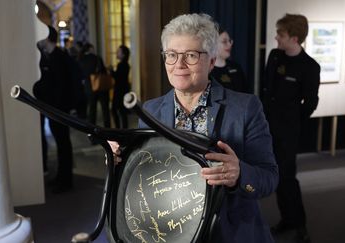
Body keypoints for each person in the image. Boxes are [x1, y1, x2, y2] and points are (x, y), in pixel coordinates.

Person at [109, 13, 278, 243]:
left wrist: (239, 174)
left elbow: (269, 177)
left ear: (211, 60)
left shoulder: (246, 108)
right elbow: (144, 182)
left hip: (231, 233)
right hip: (171, 233)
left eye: (190, 55)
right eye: (171, 55)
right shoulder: (150, 111)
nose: (179, 64)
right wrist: (120, 160)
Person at [261, 14, 320, 243]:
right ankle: (286, 219)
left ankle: (300, 225)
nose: (276, 37)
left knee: (287, 178)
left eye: (281, 34)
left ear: (294, 38)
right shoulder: (275, 56)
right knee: (275, 176)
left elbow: (311, 102)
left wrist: (293, 121)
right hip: (267, 128)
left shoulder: (310, 67)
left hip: (288, 133)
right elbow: (268, 89)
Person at [33, 25, 75, 193]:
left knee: (63, 143)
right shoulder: (49, 56)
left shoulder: (59, 56)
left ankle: (66, 180)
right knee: (60, 142)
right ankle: (61, 177)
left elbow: (61, 86)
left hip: (59, 109)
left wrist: (57, 107)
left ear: (46, 38)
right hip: (54, 108)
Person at [78, 43, 111, 127]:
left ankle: (92, 130)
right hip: (100, 86)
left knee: (92, 109)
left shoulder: (81, 59)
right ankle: (107, 129)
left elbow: (81, 74)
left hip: (89, 87)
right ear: (90, 49)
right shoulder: (97, 58)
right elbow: (103, 71)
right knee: (105, 110)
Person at [210, 27, 248, 92]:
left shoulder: (236, 67)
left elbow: (246, 93)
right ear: (213, 45)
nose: (229, 45)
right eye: (224, 42)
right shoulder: (207, 70)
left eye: (230, 41)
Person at [109, 45, 131, 128]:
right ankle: (123, 130)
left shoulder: (122, 65)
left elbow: (118, 78)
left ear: (123, 54)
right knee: (122, 111)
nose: (117, 53)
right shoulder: (125, 64)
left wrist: (111, 71)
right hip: (123, 90)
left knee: (115, 110)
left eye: (119, 52)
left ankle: (119, 129)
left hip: (119, 91)